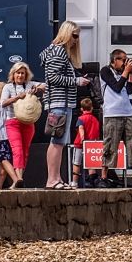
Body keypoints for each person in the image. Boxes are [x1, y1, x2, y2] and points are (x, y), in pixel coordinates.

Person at [41, 21, 81, 189]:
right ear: (67, 34)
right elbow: (53, 77)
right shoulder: (59, 52)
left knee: (59, 141)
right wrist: (76, 81)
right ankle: (52, 179)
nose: (76, 40)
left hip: (61, 101)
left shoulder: (55, 51)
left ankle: (55, 178)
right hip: (60, 102)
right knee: (57, 141)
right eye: (74, 35)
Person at [98, 49, 132, 188]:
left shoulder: (124, 72)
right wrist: (127, 71)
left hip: (128, 112)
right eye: (123, 60)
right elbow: (117, 87)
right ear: (114, 60)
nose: (125, 62)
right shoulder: (105, 71)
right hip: (112, 113)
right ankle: (104, 177)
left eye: (126, 60)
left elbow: (129, 90)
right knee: (110, 145)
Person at [0, 59, 43, 188]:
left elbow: (45, 86)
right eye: (18, 73)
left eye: (22, 73)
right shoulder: (8, 87)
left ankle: (18, 180)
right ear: (13, 74)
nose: (20, 75)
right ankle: (18, 179)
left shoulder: (30, 84)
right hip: (13, 122)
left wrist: (37, 88)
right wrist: (17, 97)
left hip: (28, 122)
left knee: (25, 151)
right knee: (17, 150)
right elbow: (3, 103)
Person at [72, 97, 102, 188]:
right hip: (91, 144)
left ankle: (75, 182)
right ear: (92, 108)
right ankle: (92, 182)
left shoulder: (81, 118)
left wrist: (82, 138)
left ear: (81, 109)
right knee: (90, 163)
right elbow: (97, 132)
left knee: (76, 163)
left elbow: (81, 128)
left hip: (80, 144)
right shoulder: (95, 120)